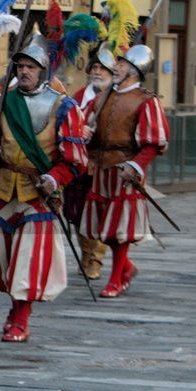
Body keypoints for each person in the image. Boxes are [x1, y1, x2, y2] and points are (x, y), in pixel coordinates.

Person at [0, 37, 87, 342]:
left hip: (38, 193)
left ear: (43, 70)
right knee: (4, 258)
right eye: (20, 66)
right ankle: (15, 306)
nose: (24, 71)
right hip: (2, 189)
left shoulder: (63, 106)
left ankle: (20, 317)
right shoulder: (1, 102)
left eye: (31, 67)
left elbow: (76, 159)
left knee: (28, 258)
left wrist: (55, 177)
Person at [80, 44, 168, 298]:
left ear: (134, 69)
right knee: (103, 230)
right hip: (101, 169)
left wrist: (135, 166)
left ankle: (116, 279)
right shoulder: (104, 96)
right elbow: (88, 126)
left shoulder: (146, 100)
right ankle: (126, 268)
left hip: (125, 170)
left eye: (121, 64)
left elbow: (153, 143)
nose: (115, 67)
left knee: (120, 231)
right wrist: (86, 132)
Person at [66, 49, 116, 280]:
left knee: (98, 214)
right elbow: (63, 122)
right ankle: (86, 255)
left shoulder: (116, 100)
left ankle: (95, 259)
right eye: (94, 68)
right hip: (79, 163)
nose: (97, 72)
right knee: (77, 213)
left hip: (104, 164)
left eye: (102, 68)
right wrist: (78, 130)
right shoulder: (77, 97)